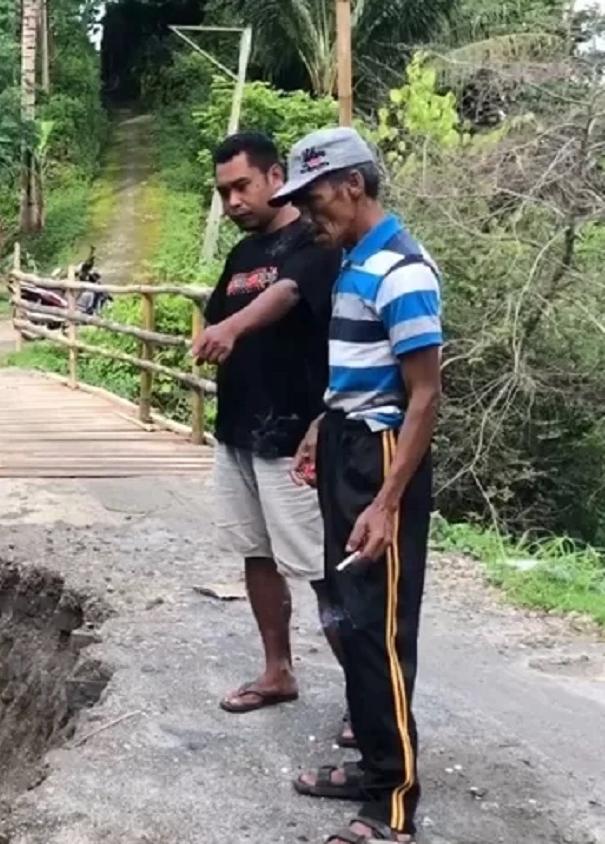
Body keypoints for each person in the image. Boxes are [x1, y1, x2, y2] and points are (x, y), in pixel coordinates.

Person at [276, 127, 443, 844]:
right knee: (345, 614)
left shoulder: (402, 268)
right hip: (347, 441)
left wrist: (386, 502)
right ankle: (372, 760)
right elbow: (360, 373)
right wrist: (323, 423)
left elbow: (425, 395)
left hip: (381, 458)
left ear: (352, 184)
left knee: (378, 629)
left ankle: (392, 807)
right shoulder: (353, 260)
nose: (310, 215)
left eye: (315, 199)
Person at [191, 132, 350, 743]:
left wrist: (231, 328)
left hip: (293, 435)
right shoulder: (241, 253)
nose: (233, 200)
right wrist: (217, 330)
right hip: (239, 430)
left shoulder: (313, 240)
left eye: (243, 186)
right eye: (224, 191)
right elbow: (214, 310)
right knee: (255, 554)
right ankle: (277, 670)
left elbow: (285, 296)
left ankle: (364, 700)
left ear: (275, 176)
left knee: (320, 568)